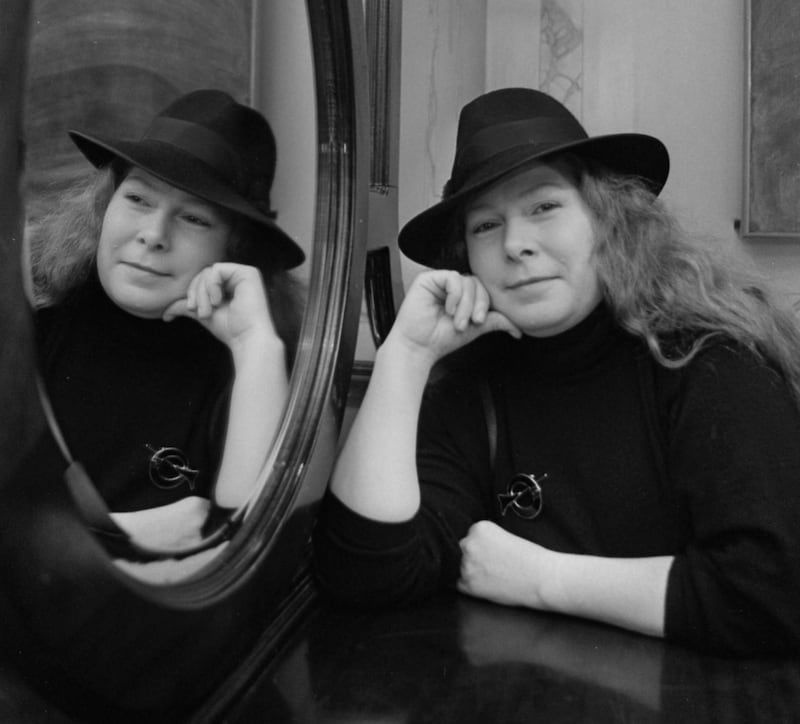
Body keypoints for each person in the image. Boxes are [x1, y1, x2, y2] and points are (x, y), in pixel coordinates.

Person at [314, 87, 800, 654]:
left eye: (543, 206)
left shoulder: (708, 358)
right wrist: (407, 355)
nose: (515, 244)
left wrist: (544, 579)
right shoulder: (474, 388)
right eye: (485, 226)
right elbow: (364, 575)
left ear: (607, 218)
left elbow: (773, 593)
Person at [28, 89, 305, 552]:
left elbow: (248, 544)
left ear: (234, 250)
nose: (153, 235)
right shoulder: (34, 316)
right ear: (105, 205)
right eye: (138, 198)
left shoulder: (247, 368)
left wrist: (256, 346)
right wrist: (125, 534)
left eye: (194, 218)